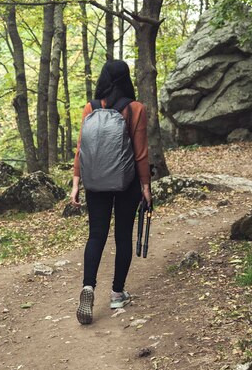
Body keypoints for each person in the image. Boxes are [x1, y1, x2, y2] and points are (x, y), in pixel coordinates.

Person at [70, 60, 151, 325]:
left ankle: (88, 287)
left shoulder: (91, 107)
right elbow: (140, 153)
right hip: (125, 183)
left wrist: (75, 183)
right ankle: (117, 293)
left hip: (95, 183)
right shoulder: (136, 109)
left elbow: (81, 148)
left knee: (96, 235)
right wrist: (146, 186)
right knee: (122, 235)